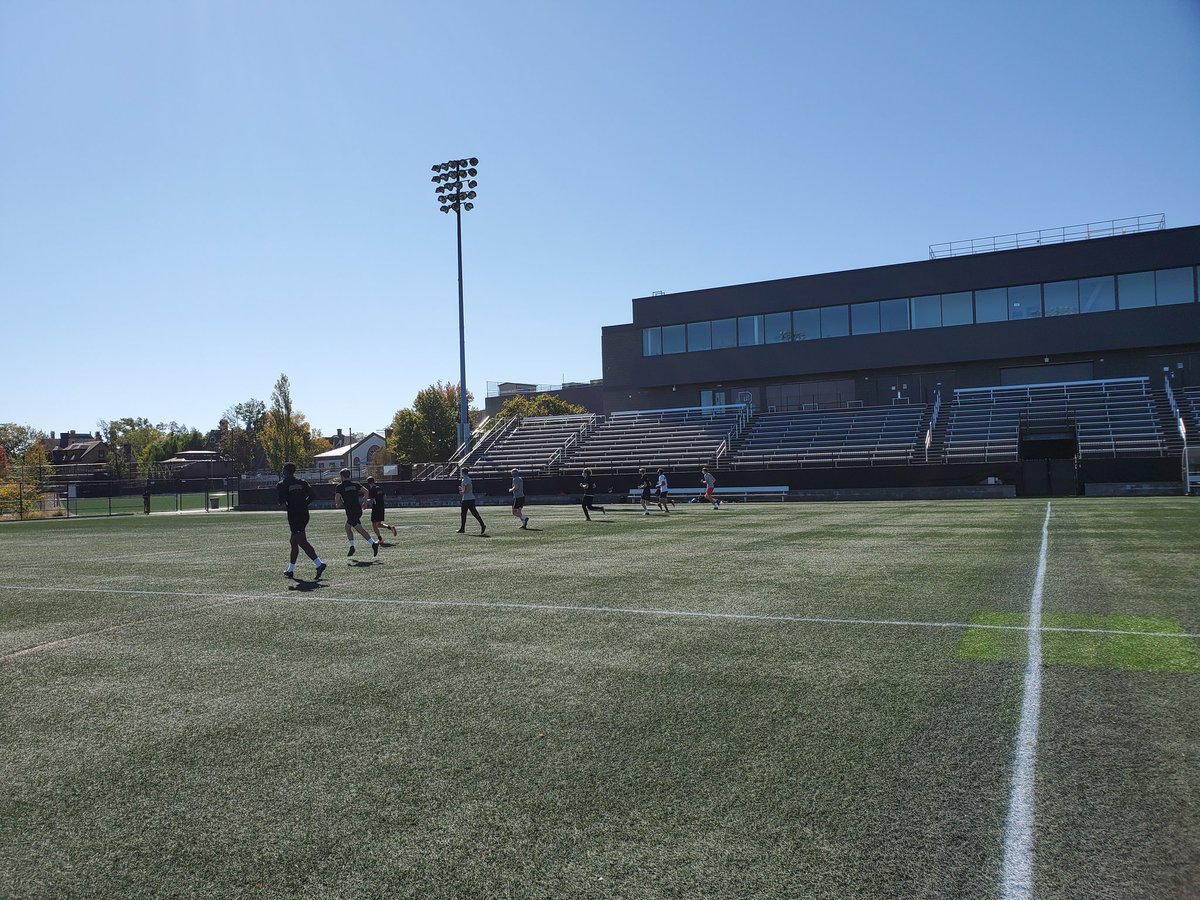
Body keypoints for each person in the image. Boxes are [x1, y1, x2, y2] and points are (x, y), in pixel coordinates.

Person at [277, 462, 326, 579]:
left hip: (294, 515)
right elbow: (313, 495)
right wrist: (303, 504)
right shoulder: (302, 482)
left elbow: (280, 501)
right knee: (293, 541)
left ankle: (319, 564)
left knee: (301, 541)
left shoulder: (282, 484)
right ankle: (290, 570)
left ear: (285, 471)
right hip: (304, 514)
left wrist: (290, 504)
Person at [334, 468, 380, 557]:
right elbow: (366, 491)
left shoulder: (339, 486)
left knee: (358, 528)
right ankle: (352, 546)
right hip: (357, 509)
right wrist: (365, 502)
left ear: (342, 476)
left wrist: (337, 504)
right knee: (347, 527)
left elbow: (337, 498)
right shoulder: (355, 484)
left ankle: (373, 544)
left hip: (350, 511)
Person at [366, 476, 397, 544]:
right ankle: (391, 527)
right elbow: (384, 496)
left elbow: (372, 500)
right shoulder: (379, 488)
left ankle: (380, 539)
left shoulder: (371, 490)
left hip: (376, 508)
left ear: (368, 483)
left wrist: (365, 500)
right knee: (378, 524)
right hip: (381, 507)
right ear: (374, 481)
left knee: (374, 525)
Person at [457, 466, 487, 535]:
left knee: (464, 514)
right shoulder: (467, 479)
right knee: (473, 513)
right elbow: (467, 488)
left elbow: (469, 488)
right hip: (469, 498)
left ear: (463, 472)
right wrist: (462, 489)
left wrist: (463, 492)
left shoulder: (465, 479)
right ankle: (482, 525)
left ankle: (463, 528)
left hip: (467, 499)